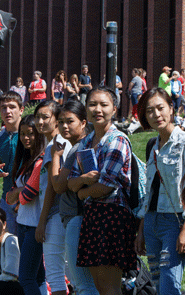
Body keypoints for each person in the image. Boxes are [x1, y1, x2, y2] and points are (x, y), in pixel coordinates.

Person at [67, 86, 137, 295]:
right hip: (92, 216)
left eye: (103, 105)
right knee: (99, 287)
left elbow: (105, 186)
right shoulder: (86, 142)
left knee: (110, 288)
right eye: (92, 104)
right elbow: (71, 182)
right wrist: (84, 182)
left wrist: (82, 192)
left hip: (112, 216)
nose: (97, 109)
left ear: (114, 109)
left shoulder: (117, 140)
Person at [135, 87, 185, 295]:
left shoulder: (182, 143)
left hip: (174, 223)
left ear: (171, 108)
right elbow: (150, 190)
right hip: (152, 221)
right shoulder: (151, 144)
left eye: (160, 108)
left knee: (170, 284)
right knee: (157, 285)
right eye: (149, 111)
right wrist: (141, 229)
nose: (156, 115)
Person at [50, 100, 99, 295]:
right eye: (60, 121)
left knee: (83, 284)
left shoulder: (79, 148)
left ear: (84, 122)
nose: (64, 126)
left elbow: (59, 186)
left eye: (70, 121)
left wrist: (55, 155)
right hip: (79, 218)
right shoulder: (81, 145)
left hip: (78, 218)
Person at [6, 115, 47, 295]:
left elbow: (25, 197)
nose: (25, 138)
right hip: (23, 224)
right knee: (37, 278)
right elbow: (10, 198)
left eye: (30, 133)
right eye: (22, 134)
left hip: (34, 226)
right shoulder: (25, 162)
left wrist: (18, 193)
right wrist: (18, 192)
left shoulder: (40, 161)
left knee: (26, 278)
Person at [34, 100, 72, 295]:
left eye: (45, 117)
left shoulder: (54, 146)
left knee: (55, 276)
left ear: (56, 119)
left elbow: (51, 186)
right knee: (71, 273)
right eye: (37, 117)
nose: (40, 121)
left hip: (55, 215)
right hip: (66, 215)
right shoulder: (62, 142)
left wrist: (42, 221)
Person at [0, 91, 24, 235]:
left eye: (12, 107)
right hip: (6, 199)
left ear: (21, 110)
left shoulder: (32, 135)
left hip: (29, 199)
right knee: (9, 246)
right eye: (3, 107)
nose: (7, 111)